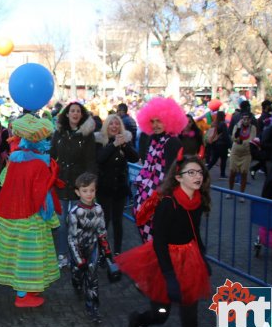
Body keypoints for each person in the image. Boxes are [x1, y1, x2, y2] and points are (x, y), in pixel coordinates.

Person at [117, 153, 212, 327]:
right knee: (161, 314)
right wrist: (169, 276)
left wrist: (202, 256)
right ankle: (139, 321)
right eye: (191, 172)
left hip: (190, 260)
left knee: (190, 318)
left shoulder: (198, 200)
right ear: (178, 177)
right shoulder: (167, 203)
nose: (198, 176)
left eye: (200, 172)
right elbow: (159, 241)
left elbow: (194, 231)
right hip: (164, 260)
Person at [0, 114, 61, 308]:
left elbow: (4, 181)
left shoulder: (15, 159)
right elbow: (42, 193)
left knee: (15, 251)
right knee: (30, 254)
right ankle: (24, 294)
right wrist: (50, 213)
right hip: (32, 216)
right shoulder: (39, 164)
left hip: (13, 214)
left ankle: (27, 289)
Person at [50, 102, 97, 267]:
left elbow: (91, 161)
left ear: (82, 115)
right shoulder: (59, 133)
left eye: (78, 111)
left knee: (77, 223)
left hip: (80, 185)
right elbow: (52, 155)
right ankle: (63, 255)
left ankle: (77, 254)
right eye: (72, 111)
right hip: (62, 182)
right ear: (67, 114)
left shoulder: (87, 135)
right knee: (62, 222)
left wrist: (89, 183)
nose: (75, 113)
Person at [133, 97, 185, 243]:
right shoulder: (153, 139)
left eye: (159, 121)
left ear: (169, 121)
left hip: (161, 194)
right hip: (147, 190)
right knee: (145, 225)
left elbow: (172, 172)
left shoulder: (173, 142)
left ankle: (157, 258)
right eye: (152, 121)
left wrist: (161, 195)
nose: (155, 125)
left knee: (158, 232)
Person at [67, 172, 115, 323]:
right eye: (85, 190)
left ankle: (93, 308)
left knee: (92, 279)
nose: (89, 194)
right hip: (78, 249)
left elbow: (101, 231)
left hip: (93, 247)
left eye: (92, 190)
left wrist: (107, 250)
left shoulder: (99, 210)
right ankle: (76, 281)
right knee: (78, 273)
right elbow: (72, 238)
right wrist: (79, 259)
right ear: (77, 192)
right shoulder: (74, 213)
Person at [94, 114, 139, 255]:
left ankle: (118, 252)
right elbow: (99, 158)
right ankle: (103, 252)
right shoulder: (99, 140)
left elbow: (135, 157)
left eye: (117, 124)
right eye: (111, 123)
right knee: (104, 221)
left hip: (120, 187)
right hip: (104, 187)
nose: (114, 126)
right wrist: (113, 145)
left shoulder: (125, 140)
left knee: (118, 221)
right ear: (107, 125)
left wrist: (124, 145)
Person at [226, 112, 256, 202]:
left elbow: (251, 139)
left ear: (250, 119)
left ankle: (241, 194)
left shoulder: (253, 128)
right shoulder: (237, 126)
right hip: (235, 152)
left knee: (244, 173)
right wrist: (239, 128)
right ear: (241, 119)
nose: (246, 120)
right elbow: (234, 137)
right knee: (232, 172)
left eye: (248, 118)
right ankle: (230, 191)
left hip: (246, 153)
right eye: (244, 118)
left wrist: (242, 141)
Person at [206, 111, 231, 180]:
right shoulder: (223, 124)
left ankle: (205, 171)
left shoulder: (214, 123)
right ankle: (222, 174)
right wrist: (229, 145)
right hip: (222, 144)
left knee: (213, 160)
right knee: (223, 160)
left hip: (214, 143)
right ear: (223, 116)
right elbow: (226, 136)